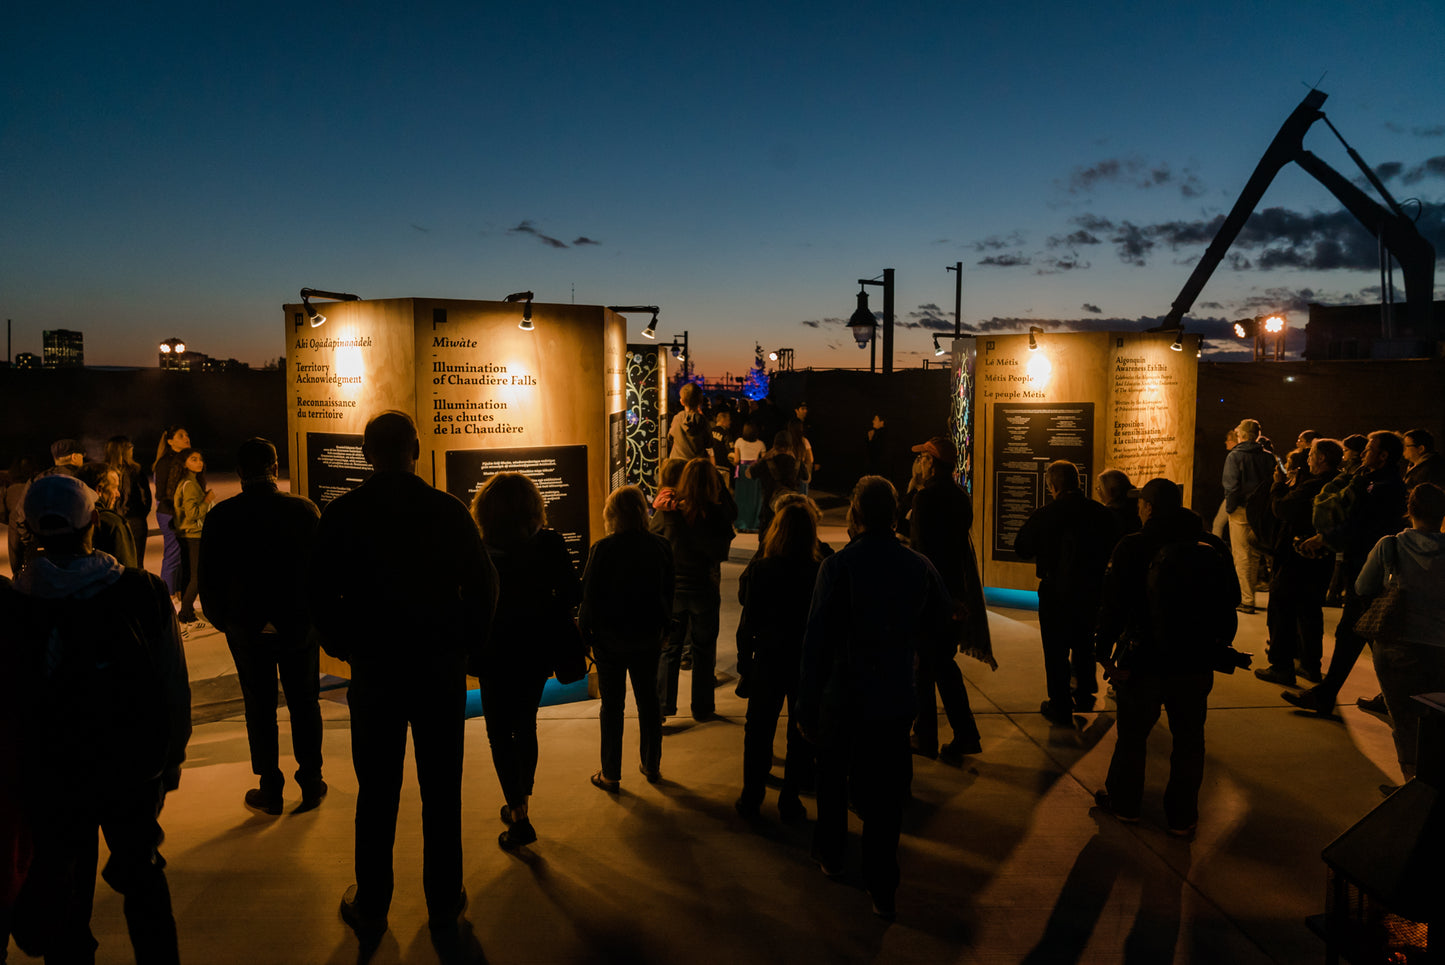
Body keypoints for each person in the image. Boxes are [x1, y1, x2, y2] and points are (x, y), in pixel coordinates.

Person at [309, 411, 498, 940]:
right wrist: (466, 647)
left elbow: (319, 593)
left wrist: (345, 647)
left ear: (367, 453)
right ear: (415, 449)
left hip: (376, 670)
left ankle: (372, 903)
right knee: (442, 790)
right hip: (438, 670)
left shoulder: (344, 514)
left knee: (376, 791)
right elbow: (483, 587)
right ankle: (444, 901)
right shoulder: (447, 510)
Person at [11, 473, 190, 963]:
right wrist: (170, 762)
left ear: (30, 529)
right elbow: (173, 686)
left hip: (49, 773)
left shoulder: (16, 603)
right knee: (143, 880)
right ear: (93, 520)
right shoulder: (142, 591)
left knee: (64, 893)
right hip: (130, 768)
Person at [799, 476, 955, 921]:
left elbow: (816, 642)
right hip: (893, 695)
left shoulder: (838, 567)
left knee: (833, 779)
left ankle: (832, 854)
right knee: (885, 796)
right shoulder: (919, 565)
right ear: (894, 513)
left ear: (856, 513)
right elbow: (943, 629)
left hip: (842, 693)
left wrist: (807, 704)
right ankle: (882, 884)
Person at [1092, 478, 1238, 836]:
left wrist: (1103, 650)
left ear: (1148, 507)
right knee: (1189, 738)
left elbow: (1113, 605)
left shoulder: (1132, 545)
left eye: (1141, 504)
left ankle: (1125, 805)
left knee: (1133, 735)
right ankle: (1182, 817)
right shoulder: (1211, 544)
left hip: (1144, 658)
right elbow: (1230, 599)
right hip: (1195, 659)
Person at [198, 438, 325, 815]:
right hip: (298, 625)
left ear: (239, 472)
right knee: (305, 702)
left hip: (246, 626)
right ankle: (311, 780)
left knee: (259, 707)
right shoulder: (303, 510)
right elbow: (320, 571)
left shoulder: (222, 516)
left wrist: (227, 622)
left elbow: (209, 579)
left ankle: (270, 785)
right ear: (275, 467)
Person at [471, 471, 580, 850]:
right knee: (525, 723)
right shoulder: (548, 543)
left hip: (494, 651)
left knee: (499, 733)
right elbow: (573, 593)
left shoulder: (480, 550)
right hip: (537, 648)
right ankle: (522, 803)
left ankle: (518, 813)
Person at [1284, 431, 1409, 717]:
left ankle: (1392, 697)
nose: (1363, 453)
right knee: (1357, 635)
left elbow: (1362, 526)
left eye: (1370, 449)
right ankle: (1336, 695)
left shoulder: (1385, 487)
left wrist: (1324, 539)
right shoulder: (1370, 480)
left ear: (1383, 456)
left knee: (1364, 636)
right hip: (1362, 568)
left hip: (1370, 571)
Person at [579, 486, 674, 792]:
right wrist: (665, 630)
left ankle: (610, 773)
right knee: (649, 701)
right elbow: (668, 592)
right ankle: (652, 764)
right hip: (647, 636)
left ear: (612, 514)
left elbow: (589, 597)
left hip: (610, 639)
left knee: (612, 706)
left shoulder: (603, 549)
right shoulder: (660, 546)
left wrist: (586, 634)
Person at [899, 436, 989, 760]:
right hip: (955, 592)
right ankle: (957, 734)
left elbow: (920, 550)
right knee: (939, 664)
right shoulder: (961, 497)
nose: (919, 462)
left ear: (931, 463)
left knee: (926, 667)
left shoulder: (925, 498)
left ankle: (934, 736)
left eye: (922, 457)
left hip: (932, 596)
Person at [735, 499, 824, 823]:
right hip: (803, 660)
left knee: (758, 731)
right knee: (799, 733)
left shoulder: (763, 570)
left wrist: (745, 665)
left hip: (769, 658)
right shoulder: (817, 571)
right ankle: (790, 798)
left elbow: (748, 623)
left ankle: (752, 796)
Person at [1015, 460, 1120, 721]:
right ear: (1078, 482)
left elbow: (1022, 548)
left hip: (1055, 590)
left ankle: (1060, 704)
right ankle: (1084, 692)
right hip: (1092, 588)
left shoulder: (1046, 514)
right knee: (1084, 641)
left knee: (1055, 649)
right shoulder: (1101, 513)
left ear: (1052, 485)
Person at [1357, 483, 1445, 783]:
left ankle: (1411, 788)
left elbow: (1362, 587)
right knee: (1436, 719)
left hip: (1398, 643)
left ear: (1410, 510)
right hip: (1440, 646)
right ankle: (1433, 786)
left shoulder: (1390, 545)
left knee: (1404, 718)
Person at [652, 457, 737, 720]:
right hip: (704, 588)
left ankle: (663, 705)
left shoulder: (668, 511)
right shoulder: (716, 514)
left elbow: (654, 542)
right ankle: (702, 707)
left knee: (670, 649)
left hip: (674, 590)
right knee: (704, 649)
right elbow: (721, 552)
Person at [1253, 440, 1340, 686]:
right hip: (1321, 559)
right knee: (1310, 611)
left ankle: (1281, 667)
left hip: (1297, 556)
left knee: (1282, 610)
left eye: (1312, 455)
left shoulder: (1314, 486)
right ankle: (1310, 666)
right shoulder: (1338, 483)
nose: (1308, 459)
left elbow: (1283, 508)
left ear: (1322, 458)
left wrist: (1278, 485)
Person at [1222, 418, 1275, 614]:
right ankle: (1250, 597)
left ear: (1241, 435)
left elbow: (1231, 487)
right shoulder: (1268, 457)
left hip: (1241, 510)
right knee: (1254, 554)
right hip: (1262, 511)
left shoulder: (1235, 456)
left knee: (1241, 555)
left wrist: (1230, 508)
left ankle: (1246, 599)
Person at [170, 447, 214, 625]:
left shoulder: (189, 482)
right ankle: (185, 613)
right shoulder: (189, 485)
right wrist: (207, 501)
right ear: (184, 464)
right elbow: (192, 514)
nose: (199, 462)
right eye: (194, 459)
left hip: (189, 534)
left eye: (200, 459)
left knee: (192, 574)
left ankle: (188, 611)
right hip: (194, 535)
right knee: (197, 576)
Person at [152, 426, 190, 596]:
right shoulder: (165, 462)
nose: (186, 438)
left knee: (182, 556)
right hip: (169, 513)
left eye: (186, 434)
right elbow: (161, 494)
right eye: (181, 436)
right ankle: (167, 594)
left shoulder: (185, 459)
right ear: (170, 441)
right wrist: (177, 511)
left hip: (182, 513)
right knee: (173, 555)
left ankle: (178, 593)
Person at [78, 464, 138, 568]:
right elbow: (127, 569)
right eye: (115, 488)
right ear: (99, 490)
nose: (118, 494)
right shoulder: (113, 523)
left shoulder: (69, 517)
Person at [106, 435, 152, 569]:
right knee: (136, 561)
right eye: (130, 447)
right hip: (133, 519)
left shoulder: (104, 471)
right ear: (124, 450)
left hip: (114, 519)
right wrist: (140, 514)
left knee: (115, 561)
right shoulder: (136, 471)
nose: (132, 449)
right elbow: (146, 497)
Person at [749, 430, 800, 539]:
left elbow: (749, 473)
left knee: (766, 539)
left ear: (774, 446)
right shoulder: (797, 464)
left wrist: (765, 457)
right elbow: (807, 478)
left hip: (769, 509)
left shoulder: (766, 463)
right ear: (790, 447)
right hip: (790, 510)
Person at [2, 457, 38, 578]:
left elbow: (2, 514)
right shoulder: (35, 487)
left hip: (16, 531)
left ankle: (17, 576)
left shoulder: (9, 491)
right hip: (34, 532)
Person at [732, 419, 766, 533]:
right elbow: (764, 460)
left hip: (742, 471)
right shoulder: (761, 444)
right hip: (755, 471)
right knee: (754, 498)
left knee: (741, 497)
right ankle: (754, 524)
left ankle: (741, 523)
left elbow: (736, 460)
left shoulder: (739, 441)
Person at [667, 382, 711, 463]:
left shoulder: (677, 418)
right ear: (700, 401)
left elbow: (670, 437)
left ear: (682, 402)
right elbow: (709, 443)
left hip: (677, 463)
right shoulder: (703, 420)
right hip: (696, 465)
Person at [1096, 469, 1141, 542]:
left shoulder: (1106, 515)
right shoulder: (1136, 509)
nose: (1098, 491)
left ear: (1110, 491)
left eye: (1099, 488)